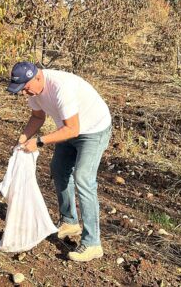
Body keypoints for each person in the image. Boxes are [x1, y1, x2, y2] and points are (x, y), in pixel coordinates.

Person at [7, 61, 111, 262]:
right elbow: (37, 118)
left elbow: (73, 129)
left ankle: (92, 243)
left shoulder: (61, 88)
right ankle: (69, 221)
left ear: (37, 77)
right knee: (59, 169)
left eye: (25, 88)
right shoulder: (34, 91)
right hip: (69, 128)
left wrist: (38, 141)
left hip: (93, 130)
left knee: (83, 178)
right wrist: (20, 141)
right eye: (20, 90)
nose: (23, 93)